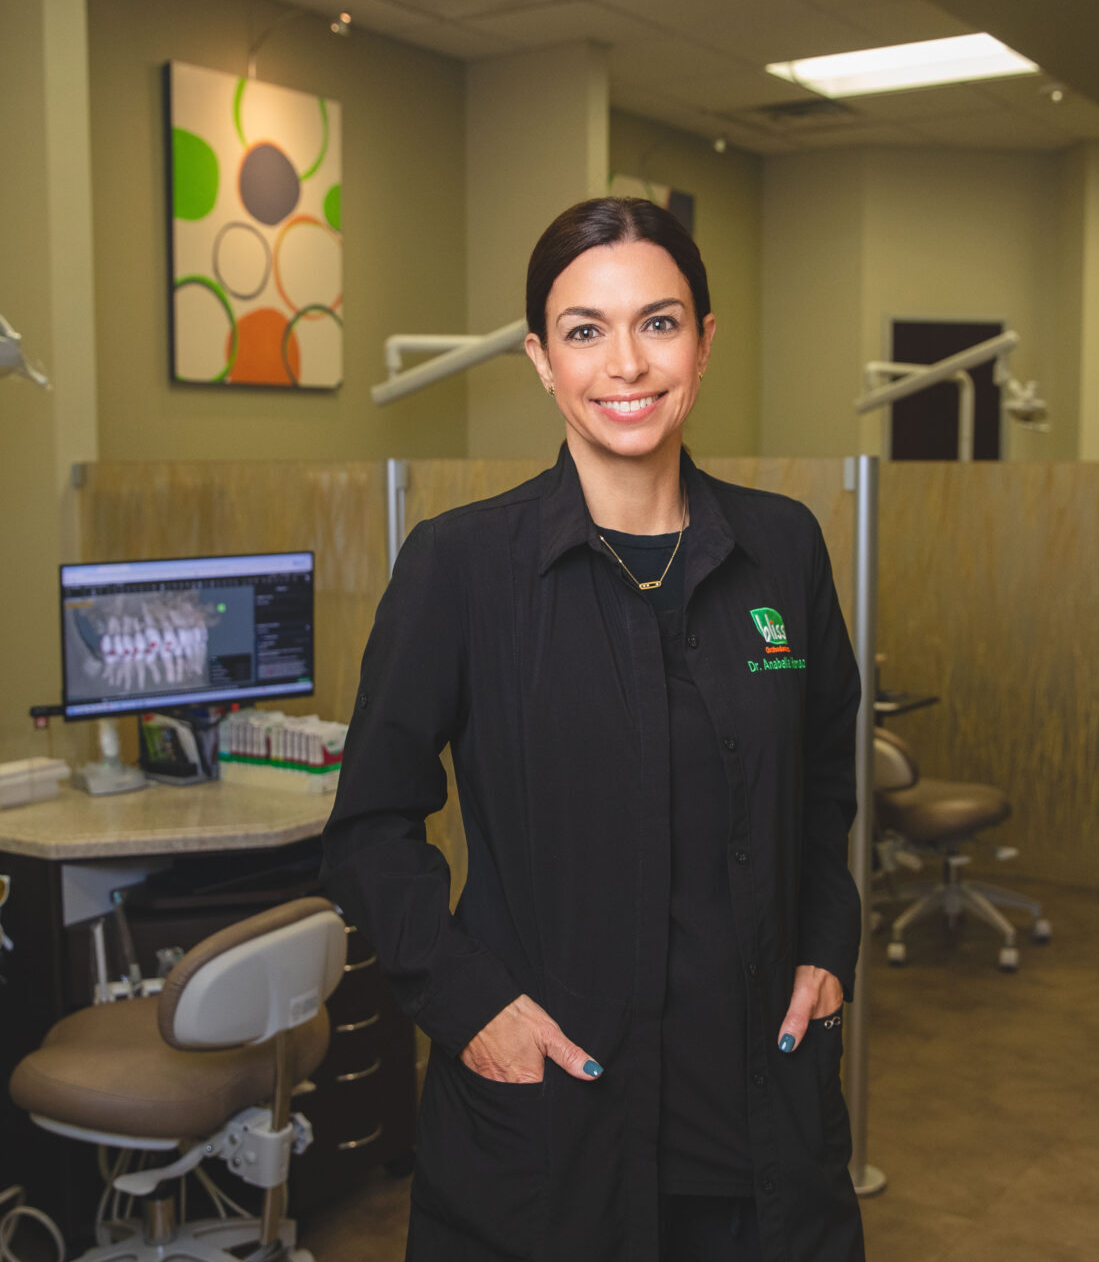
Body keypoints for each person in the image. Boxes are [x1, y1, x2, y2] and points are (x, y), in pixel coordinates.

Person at [321, 197, 865, 1262]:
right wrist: (470, 1004)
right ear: (540, 359)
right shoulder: (462, 565)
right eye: (584, 330)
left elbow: (820, 778)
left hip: (758, 1111)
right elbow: (370, 824)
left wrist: (825, 942)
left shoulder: (782, 548)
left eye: (657, 323)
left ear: (703, 344)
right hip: (553, 1118)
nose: (624, 362)